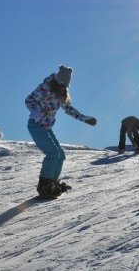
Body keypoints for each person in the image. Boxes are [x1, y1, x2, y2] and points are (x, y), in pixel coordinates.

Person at [25, 65, 97, 197]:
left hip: (46, 127)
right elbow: (29, 100)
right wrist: (35, 112)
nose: (64, 86)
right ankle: (44, 185)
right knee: (53, 153)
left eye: (66, 85)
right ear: (57, 80)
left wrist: (84, 118)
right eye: (62, 83)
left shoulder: (61, 93)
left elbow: (69, 109)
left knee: (60, 155)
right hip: (36, 125)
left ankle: (52, 182)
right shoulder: (45, 88)